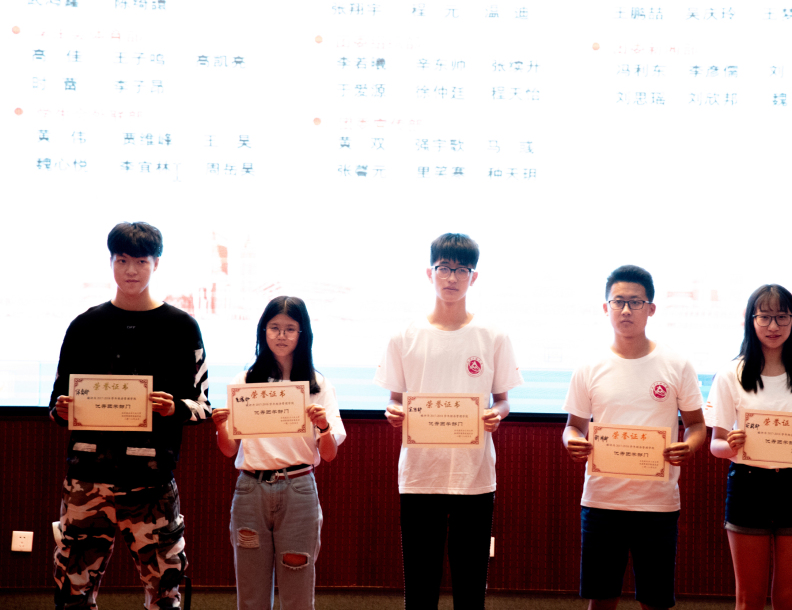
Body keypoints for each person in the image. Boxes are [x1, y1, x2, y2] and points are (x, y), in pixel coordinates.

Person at [48, 222, 211, 610]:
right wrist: (62, 410)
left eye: (141, 261)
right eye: (122, 260)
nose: (131, 270)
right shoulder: (85, 326)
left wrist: (174, 408)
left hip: (151, 482)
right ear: (111, 263)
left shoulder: (181, 327)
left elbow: (202, 406)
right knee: (72, 592)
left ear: (156, 264)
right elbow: (56, 404)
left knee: (166, 594)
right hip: (87, 480)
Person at [376, 233, 523, 609]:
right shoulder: (404, 335)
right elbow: (394, 400)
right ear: (430, 273)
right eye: (444, 268)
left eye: (462, 270)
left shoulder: (493, 335)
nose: (452, 277)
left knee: (470, 587)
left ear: (474, 277)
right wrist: (393, 412)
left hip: (473, 477)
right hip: (420, 475)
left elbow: (503, 401)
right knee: (420, 587)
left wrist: (496, 414)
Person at [563, 265, 706, 610]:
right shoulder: (589, 366)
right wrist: (571, 441)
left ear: (651, 308)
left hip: (657, 503)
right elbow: (573, 426)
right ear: (606, 307)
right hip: (602, 501)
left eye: (635, 302)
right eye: (618, 302)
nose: (626, 310)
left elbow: (697, 426)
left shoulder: (676, 364)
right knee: (601, 599)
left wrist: (688, 446)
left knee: (655, 601)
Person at [704, 284, 792, 610]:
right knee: (748, 598)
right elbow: (716, 446)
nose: (773, 326)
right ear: (751, 321)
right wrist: (730, 445)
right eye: (764, 317)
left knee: (789, 598)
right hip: (748, 485)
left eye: (782, 317)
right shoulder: (731, 374)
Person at [211, 295, 346, 610]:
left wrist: (324, 427)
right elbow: (229, 450)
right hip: (250, 489)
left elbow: (328, 455)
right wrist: (220, 427)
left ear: (302, 333)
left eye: (290, 329)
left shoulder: (317, 385)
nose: (281, 335)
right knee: (251, 590)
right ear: (263, 331)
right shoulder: (245, 382)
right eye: (274, 327)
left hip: (298, 489)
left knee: (298, 590)